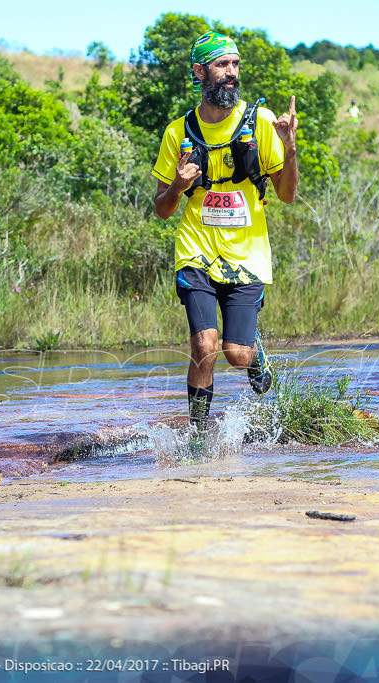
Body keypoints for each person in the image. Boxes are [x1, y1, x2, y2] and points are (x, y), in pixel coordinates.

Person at [151, 31, 299, 432]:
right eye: (222, 65)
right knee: (204, 345)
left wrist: (290, 147)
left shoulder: (262, 122)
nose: (231, 73)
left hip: (246, 255)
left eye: (235, 65)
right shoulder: (176, 132)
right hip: (196, 251)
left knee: (237, 354)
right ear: (200, 72)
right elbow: (162, 209)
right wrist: (179, 186)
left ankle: (254, 349)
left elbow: (285, 196)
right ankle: (199, 437)